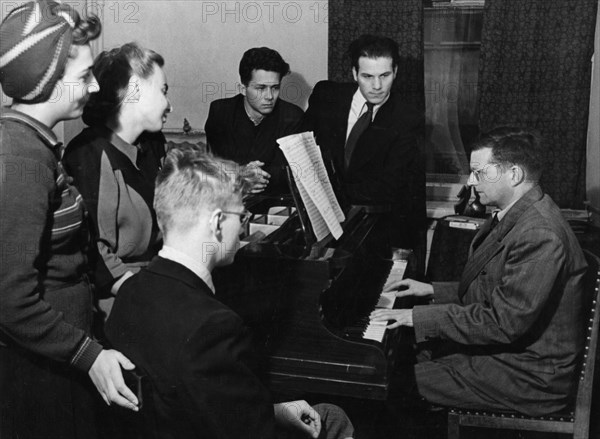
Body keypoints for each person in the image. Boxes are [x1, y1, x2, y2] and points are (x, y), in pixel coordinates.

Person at [105, 145, 354, 439]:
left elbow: (195, 405)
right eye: (242, 215)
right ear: (217, 223)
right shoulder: (213, 326)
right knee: (334, 418)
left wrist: (273, 410)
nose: (243, 227)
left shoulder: (130, 293)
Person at [370, 127, 588, 416]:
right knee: (403, 358)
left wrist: (415, 316)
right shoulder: (517, 212)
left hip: (530, 374)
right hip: (513, 354)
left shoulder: (540, 233)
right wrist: (433, 290)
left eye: (479, 172)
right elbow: (496, 289)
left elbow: (502, 322)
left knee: (390, 378)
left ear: (514, 175)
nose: (471, 181)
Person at [0, 2, 138, 438]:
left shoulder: (36, 144)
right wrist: (88, 355)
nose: (95, 85)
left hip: (59, 352)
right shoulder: (18, 156)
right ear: (45, 83)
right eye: (83, 77)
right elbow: (9, 298)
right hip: (37, 370)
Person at [63, 42, 172, 315]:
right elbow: (92, 253)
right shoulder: (88, 154)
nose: (169, 105)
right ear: (133, 91)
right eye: (163, 92)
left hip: (152, 280)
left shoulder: (152, 145)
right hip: (117, 299)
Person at [302, 34, 426, 256]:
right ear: (354, 73)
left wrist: (331, 195)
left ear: (395, 72)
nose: (377, 86)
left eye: (385, 75)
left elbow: (389, 187)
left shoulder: (408, 118)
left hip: (374, 230)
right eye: (367, 76)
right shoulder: (326, 96)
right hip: (319, 226)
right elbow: (299, 147)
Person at [205, 47, 304, 195]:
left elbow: (289, 173)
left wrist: (246, 176)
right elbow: (214, 166)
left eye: (275, 88)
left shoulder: (293, 116)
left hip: (275, 202)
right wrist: (240, 174)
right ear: (243, 89)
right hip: (228, 199)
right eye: (261, 88)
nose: (269, 96)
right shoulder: (221, 112)